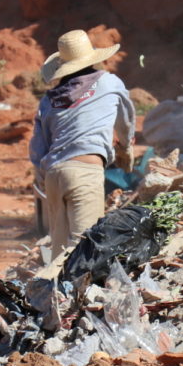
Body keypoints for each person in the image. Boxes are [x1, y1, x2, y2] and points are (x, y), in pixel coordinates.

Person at [29, 29, 135, 259]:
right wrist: (125, 148)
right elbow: (126, 120)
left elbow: (38, 149)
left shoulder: (49, 99)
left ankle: (56, 293)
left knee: (59, 252)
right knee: (85, 249)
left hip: (54, 174)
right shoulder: (109, 82)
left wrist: (41, 176)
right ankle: (82, 293)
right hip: (85, 172)